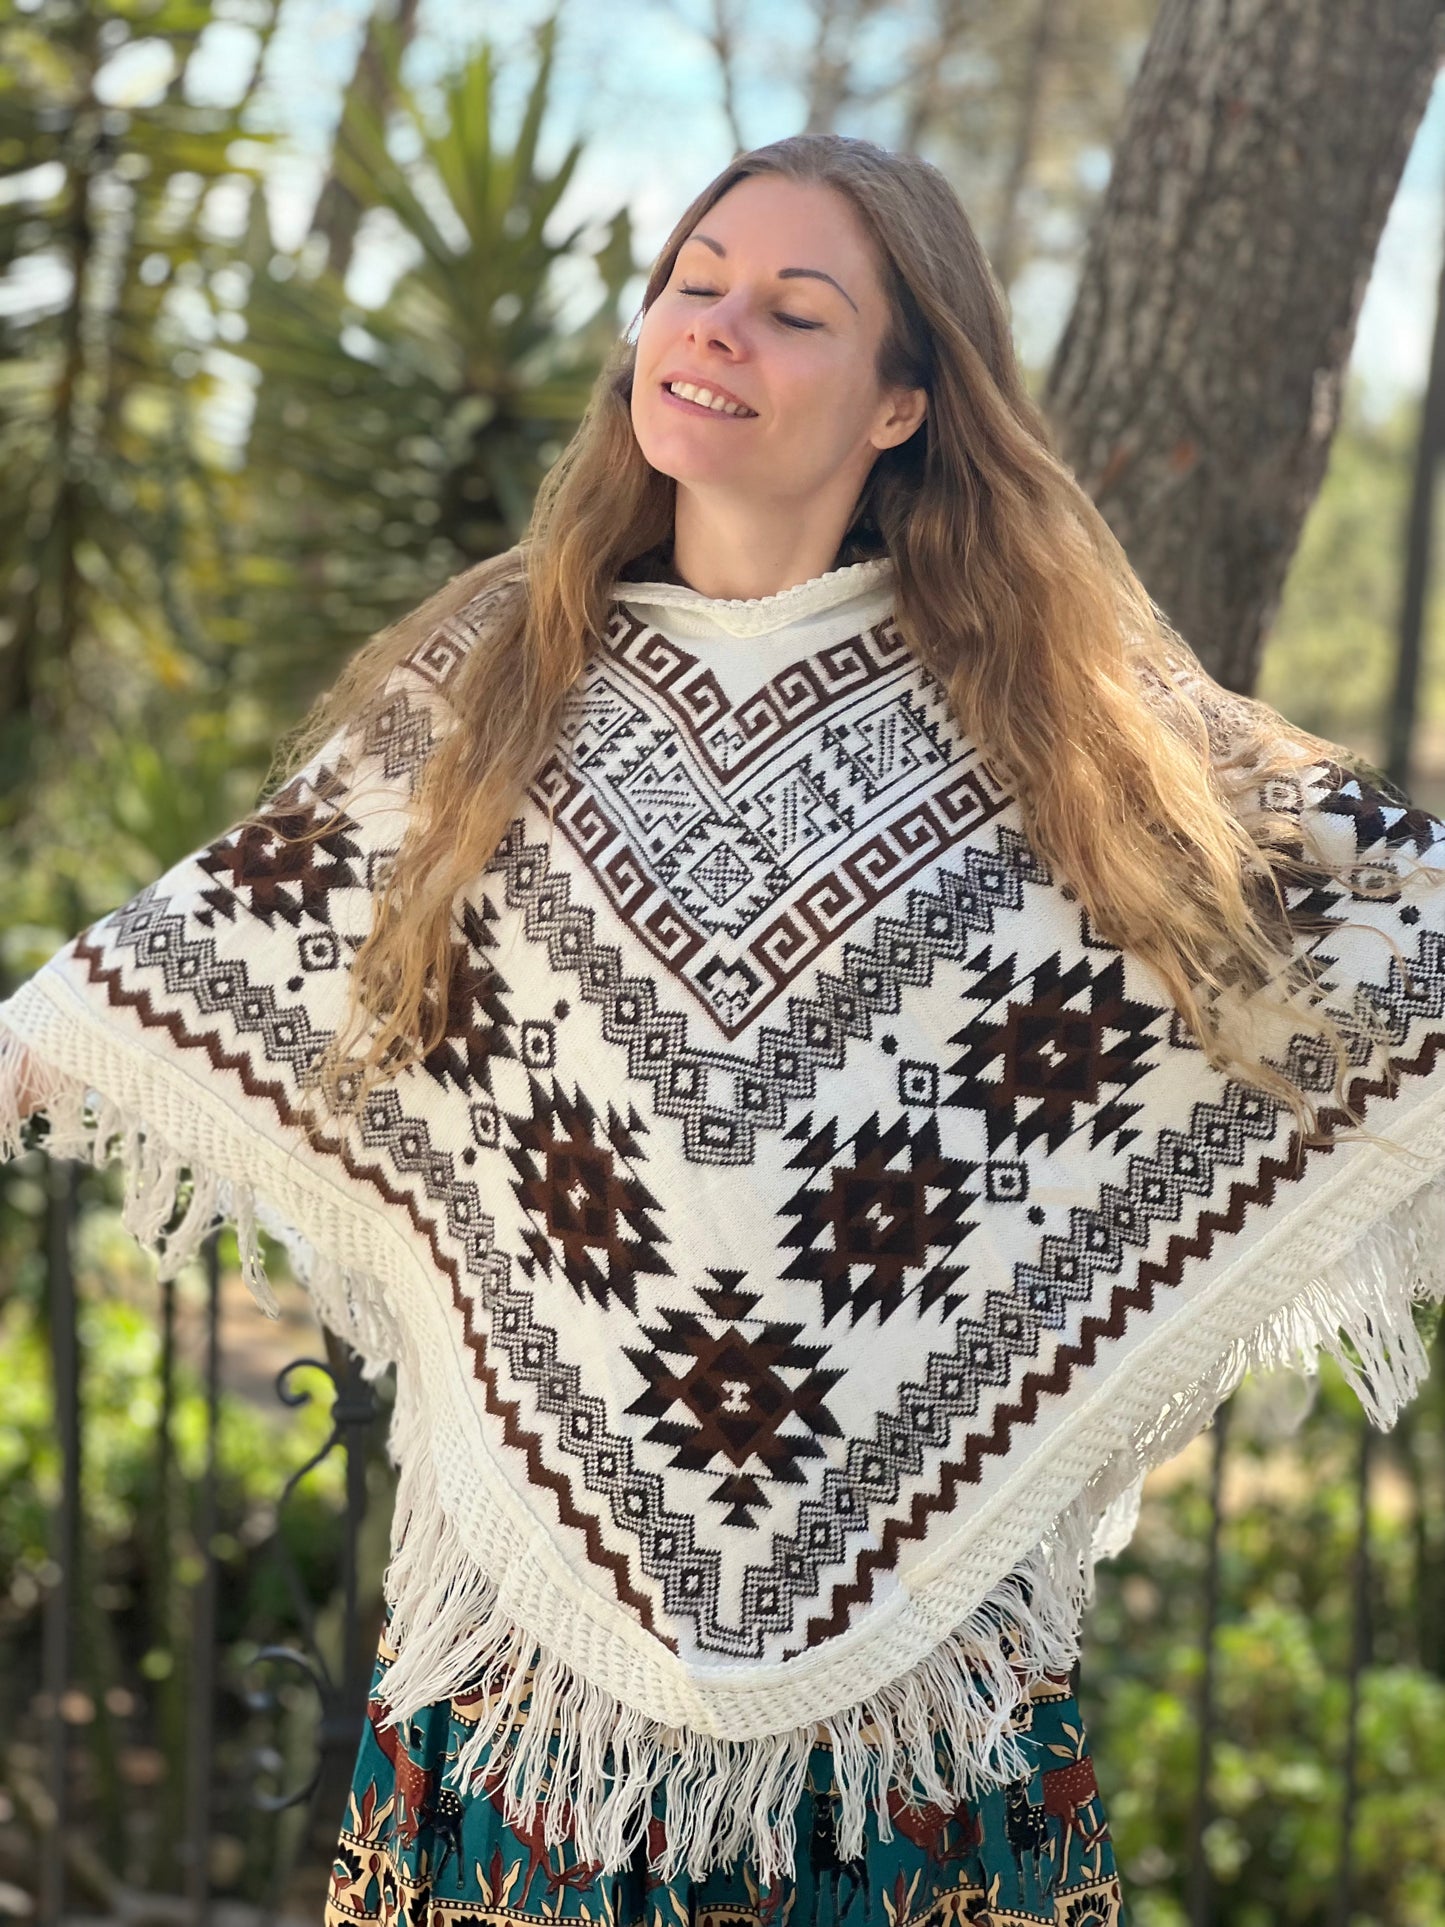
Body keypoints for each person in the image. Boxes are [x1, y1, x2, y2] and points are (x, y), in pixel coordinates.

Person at [5, 133, 1445, 1927]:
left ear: (904, 401)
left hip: (924, 1669)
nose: (716, 329)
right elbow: (229, 941)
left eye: (792, 309)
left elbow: (1373, 912)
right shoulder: (497, 681)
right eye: (693, 282)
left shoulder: (1058, 718)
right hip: (534, 1683)